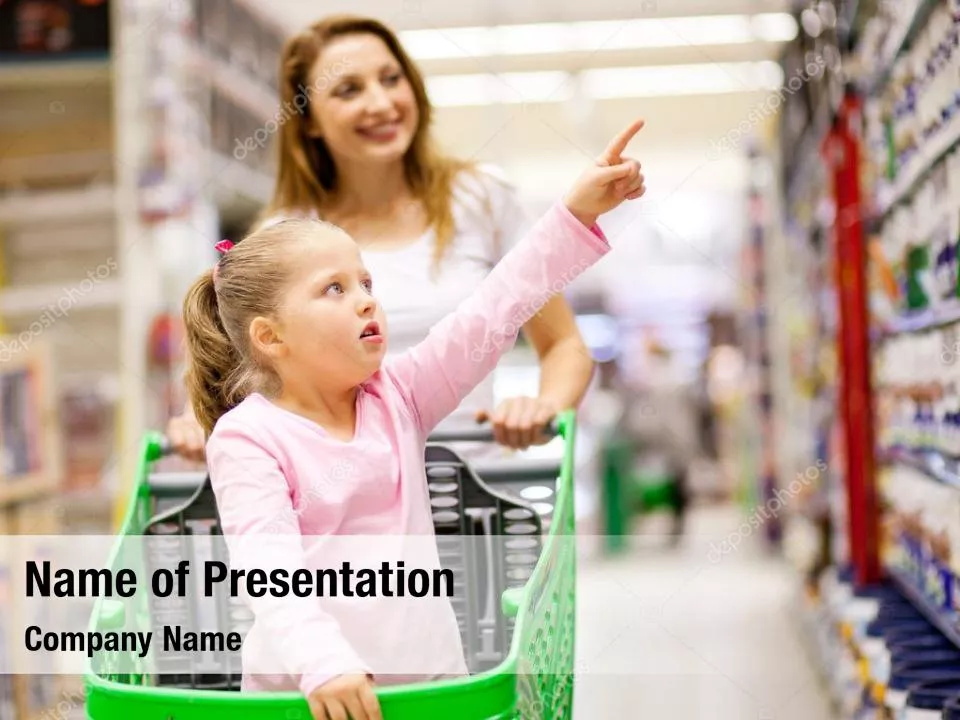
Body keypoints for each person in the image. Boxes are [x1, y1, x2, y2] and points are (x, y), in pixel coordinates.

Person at [182, 118, 645, 720]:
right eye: (334, 290)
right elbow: (268, 566)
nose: (366, 298)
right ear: (270, 337)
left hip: (429, 686)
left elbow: (489, 314)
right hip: (307, 697)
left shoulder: (396, 396)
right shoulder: (248, 437)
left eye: (365, 281)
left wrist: (574, 214)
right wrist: (325, 662)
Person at [167, 14, 596, 462]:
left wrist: (543, 408)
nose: (381, 102)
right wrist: (199, 419)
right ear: (308, 119)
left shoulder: (480, 199)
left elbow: (564, 345)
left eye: (391, 79)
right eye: (348, 89)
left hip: (474, 493)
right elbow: (240, 369)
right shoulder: (284, 236)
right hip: (340, 505)